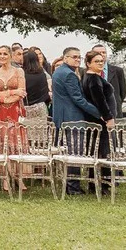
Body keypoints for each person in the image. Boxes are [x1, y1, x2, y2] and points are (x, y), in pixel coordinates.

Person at [51, 47, 101, 196]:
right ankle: (73, 187)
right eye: (74, 57)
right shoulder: (69, 75)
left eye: (79, 57)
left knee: (67, 153)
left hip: (61, 117)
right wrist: (99, 113)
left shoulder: (58, 72)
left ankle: (68, 184)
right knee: (74, 153)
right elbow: (78, 99)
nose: (77, 60)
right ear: (65, 58)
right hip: (72, 118)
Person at [0, 45, 27, 192]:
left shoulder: (18, 71)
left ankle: (18, 177)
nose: (3, 56)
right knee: (2, 143)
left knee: (15, 143)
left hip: (15, 111)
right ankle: (5, 177)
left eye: (5, 54)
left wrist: (4, 96)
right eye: (0, 54)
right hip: (0, 112)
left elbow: (22, 92)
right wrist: (9, 95)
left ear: (10, 55)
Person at [81, 51, 117, 194]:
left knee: (95, 152)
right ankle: (101, 186)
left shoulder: (89, 77)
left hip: (94, 121)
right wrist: (108, 117)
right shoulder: (93, 79)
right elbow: (99, 100)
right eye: (97, 61)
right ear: (89, 63)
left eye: (102, 61)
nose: (100, 63)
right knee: (102, 152)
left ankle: (94, 184)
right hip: (100, 121)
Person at [91, 44, 126, 118]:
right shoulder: (86, 73)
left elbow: (122, 93)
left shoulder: (117, 71)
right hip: (94, 114)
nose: (102, 55)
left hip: (114, 113)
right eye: (98, 53)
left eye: (104, 52)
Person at [22, 50, 50, 119]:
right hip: (41, 107)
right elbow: (46, 92)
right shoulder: (42, 74)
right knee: (40, 128)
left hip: (27, 108)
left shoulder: (22, 75)